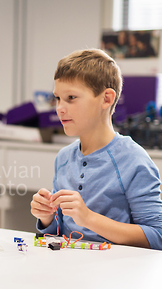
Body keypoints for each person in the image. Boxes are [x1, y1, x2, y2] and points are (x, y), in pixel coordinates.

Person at [30, 49, 162, 250]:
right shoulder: (64, 157)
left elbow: (157, 236)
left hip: (115, 273)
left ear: (106, 99)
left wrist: (89, 218)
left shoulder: (133, 160)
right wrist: (47, 217)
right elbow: (59, 233)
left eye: (71, 97)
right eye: (57, 98)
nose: (59, 108)